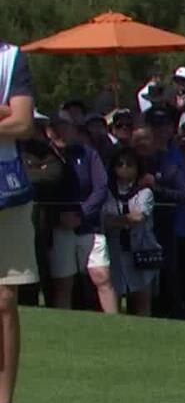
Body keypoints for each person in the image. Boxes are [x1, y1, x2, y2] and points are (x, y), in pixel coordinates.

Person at [0, 44, 39, 403]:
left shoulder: (9, 58)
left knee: (4, 300)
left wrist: (10, 117)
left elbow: (22, 122)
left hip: (4, 188)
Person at [45, 112, 116, 313]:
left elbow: (101, 187)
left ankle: (116, 325)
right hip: (60, 226)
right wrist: (60, 216)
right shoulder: (46, 155)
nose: (59, 131)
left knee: (102, 276)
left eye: (64, 127)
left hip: (89, 224)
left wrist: (81, 213)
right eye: (55, 127)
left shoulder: (87, 154)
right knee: (63, 282)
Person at [100, 146, 160, 316]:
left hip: (141, 250)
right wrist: (125, 220)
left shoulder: (145, 192)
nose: (124, 167)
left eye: (129, 164)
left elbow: (137, 218)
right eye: (120, 164)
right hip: (115, 250)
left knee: (142, 297)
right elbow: (106, 220)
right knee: (114, 293)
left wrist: (118, 221)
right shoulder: (107, 192)